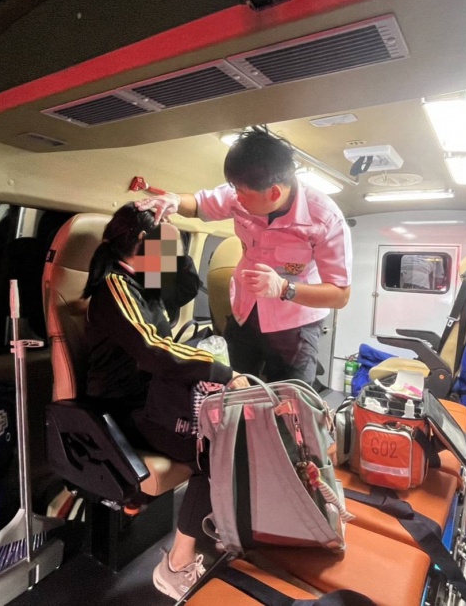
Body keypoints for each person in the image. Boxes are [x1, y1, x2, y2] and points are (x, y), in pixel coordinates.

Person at [82, 203, 246, 600]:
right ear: (143, 241)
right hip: (123, 408)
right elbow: (153, 349)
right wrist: (221, 372)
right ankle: (175, 565)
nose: (168, 250)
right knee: (215, 448)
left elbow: (186, 289)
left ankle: (218, 523)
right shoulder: (115, 288)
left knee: (233, 428)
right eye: (161, 242)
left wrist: (173, 244)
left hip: (155, 395)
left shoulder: (145, 280)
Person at [137, 129, 352, 385]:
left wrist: (285, 288)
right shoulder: (242, 194)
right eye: (235, 189)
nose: (235, 198)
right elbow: (198, 204)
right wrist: (173, 201)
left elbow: (340, 295)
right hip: (245, 313)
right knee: (228, 389)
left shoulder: (325, 218)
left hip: (294, 326)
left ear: (273, 193)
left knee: (289, 400)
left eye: (242, 193)